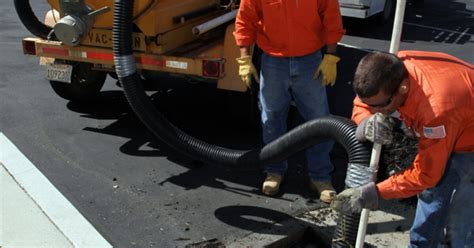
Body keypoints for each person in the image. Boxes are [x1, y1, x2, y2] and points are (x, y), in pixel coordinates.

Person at [331, 50, 474, 247]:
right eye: (372, 105)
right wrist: (366, 121)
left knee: (464, 214)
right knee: (432, 193)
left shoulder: (435, 112)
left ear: (404, 88)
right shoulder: (388, 68)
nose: (378, 111)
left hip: (469, 139)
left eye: (382, 105)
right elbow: (363, 103)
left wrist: (375, 193)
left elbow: (425, 175)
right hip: (455, 116)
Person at [233, 0, 345, 202]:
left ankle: (320, 176)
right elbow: (245, 20)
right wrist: (244, 58)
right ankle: (274, 170)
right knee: (272, 118)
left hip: (310, 60)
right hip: (273, 61)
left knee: (319, 120)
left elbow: (331, 18)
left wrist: (330, 56)